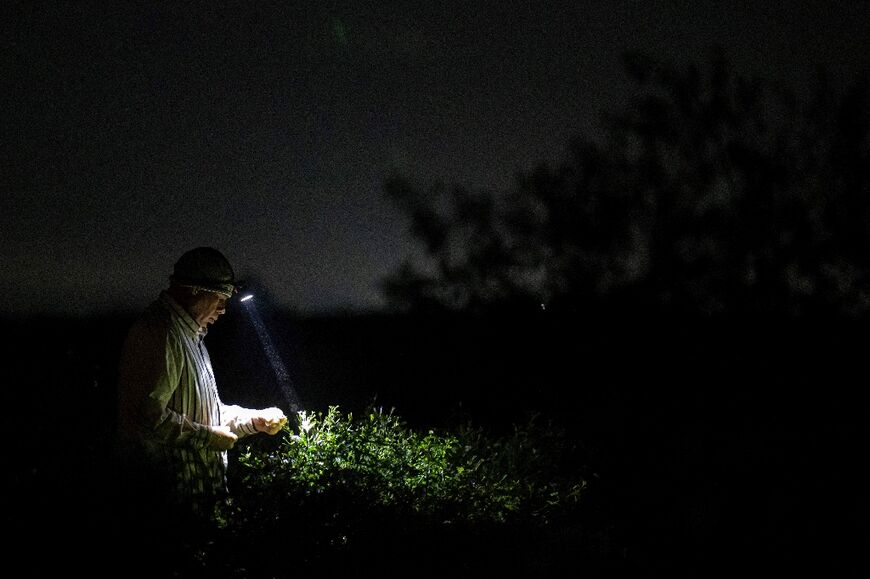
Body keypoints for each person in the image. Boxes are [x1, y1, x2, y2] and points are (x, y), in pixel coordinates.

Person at [114, 246, 287, 569]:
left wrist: (255, 420)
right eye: (219, 298)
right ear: (193, 290)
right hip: (170, 512)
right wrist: (208, 438)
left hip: (200, 508)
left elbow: (206, 412)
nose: (223, 309)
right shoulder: (162, 333)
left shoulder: (191, 335)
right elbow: (147, 418)